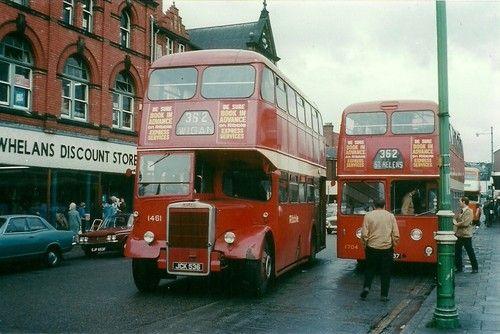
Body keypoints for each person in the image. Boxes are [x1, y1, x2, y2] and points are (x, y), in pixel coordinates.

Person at [359, 198, 400, 301]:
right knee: (385, 272)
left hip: (372, 247)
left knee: (370, 269)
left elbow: (364, 234)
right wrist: (393, 245)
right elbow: (396, 234)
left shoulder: (368, 216)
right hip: (386, 248)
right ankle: (384, 295)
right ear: (384, 205)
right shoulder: (390, 216)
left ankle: (367, 287)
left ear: (374, 205)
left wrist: (365, 245)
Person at [454, 196, 478, 273]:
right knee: (458, 252)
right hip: (459, 234)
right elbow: (458, 219)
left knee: (470, 251)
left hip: (466, 235)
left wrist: (457, 224)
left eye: (460, 201)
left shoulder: (469, 211)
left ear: (464, 202)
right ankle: (459, 268)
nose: (459, 202)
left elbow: (466, 223)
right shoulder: (461, 211)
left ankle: (475, 268)